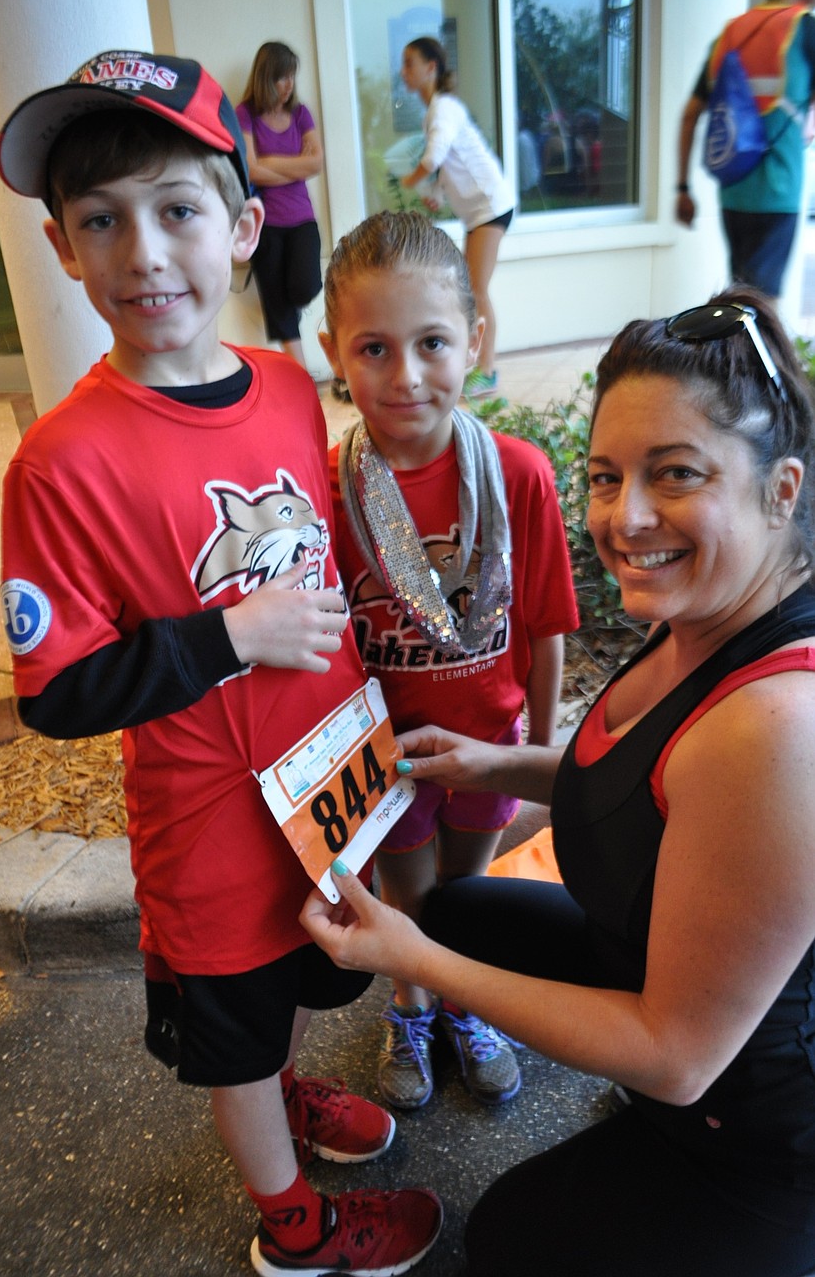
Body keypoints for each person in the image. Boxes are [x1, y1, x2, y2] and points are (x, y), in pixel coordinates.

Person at [0, 50, 442, 1277]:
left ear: (245, 229)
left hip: (322, 790)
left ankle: (285, 1099)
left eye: (177, 209)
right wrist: (229, 637)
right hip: (206, 827)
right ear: (62, 247)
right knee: (233, 1035)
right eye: (102, 220)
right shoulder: (61, 460)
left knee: (297, 981)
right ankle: (293, 1225)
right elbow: (57, 692)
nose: (143, 251)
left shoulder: (292, 386)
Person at [303, 284, 815, 1275]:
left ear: (781, 488)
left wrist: (419, 959)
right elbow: (654, 781)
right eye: (606, 474)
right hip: (652, 975)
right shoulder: (710, 606)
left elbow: (677, 1050)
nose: (624, 518)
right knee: (456, 907)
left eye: (674, 473)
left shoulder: (777, 725)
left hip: (744, 1125)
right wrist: (500, 761)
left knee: (500, 1241)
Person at [320, 209, 578, 1112]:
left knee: (467, 892)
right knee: (407, 891)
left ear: (473, 339)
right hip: (385, 755)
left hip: (491, 739)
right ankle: (411, 1002)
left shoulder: (518, 475)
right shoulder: (328, 488)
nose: (406, 376)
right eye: (374, 349)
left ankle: (467, 999)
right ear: (332, 350)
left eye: (431, 343)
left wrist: (543, 758)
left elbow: (544, 626)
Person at [398, 37, 514, 399]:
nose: (404, 71)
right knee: (470, 290)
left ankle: (488, 371)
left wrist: (411, 179)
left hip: (490, 207)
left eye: (410, 63)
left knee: (476, 292)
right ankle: (477, 364)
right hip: (479, 211)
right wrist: (435, 193)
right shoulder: (437, 109)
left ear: (431, 67)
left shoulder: (443, 107)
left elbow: (434, 156)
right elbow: (448, 164)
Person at [676, 0, 815, 299]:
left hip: (733, 190)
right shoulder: (804, 27)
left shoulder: (730, 34)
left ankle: (735, 346)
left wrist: (683, 189)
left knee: (741, 297)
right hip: (779, 191)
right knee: (761, 306)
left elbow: (689, 115)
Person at [235, 42, 323, 368]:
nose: (288, 85)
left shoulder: (301, 114)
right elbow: (251, 169)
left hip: (302, 219)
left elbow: (316, 164)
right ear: (265, 77)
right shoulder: (245, 114)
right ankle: (302, 379)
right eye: (281, 77)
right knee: (280, 308)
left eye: (291, 77)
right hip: (265, 223)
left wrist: (271, 160)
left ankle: (291, 315)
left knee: (304, 287)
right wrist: (294, 165)